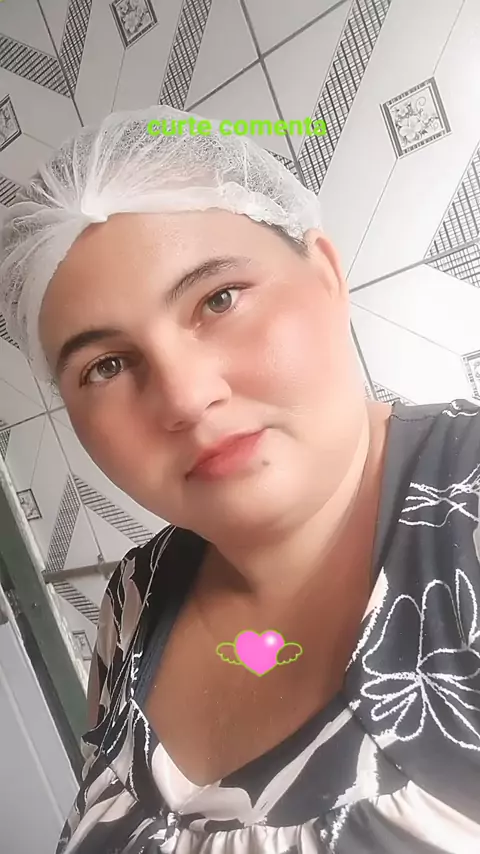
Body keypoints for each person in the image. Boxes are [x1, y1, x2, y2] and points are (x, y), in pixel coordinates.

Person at [0, 106, 479, 854]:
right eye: (107, 366)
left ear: (326, 275)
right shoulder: (132, 603)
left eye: (218, 299)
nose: (186, 398)